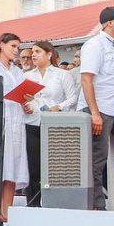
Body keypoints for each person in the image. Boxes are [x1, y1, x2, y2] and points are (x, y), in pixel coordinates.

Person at [78, 6, 114, 210]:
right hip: (100, 108)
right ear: (110, 22)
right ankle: (96, 204)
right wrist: (94, 113)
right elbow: (86, 79)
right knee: (97, 158)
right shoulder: (95, 45)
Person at [23, 40, 80, 208]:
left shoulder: (62, 75)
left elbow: (73, 98)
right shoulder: (27, 76)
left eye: (38, 51)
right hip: (33, 123)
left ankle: (57, 204)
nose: (33, 55)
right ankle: (33, 204)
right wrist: (25, 106)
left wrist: (59, 107)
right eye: (33, 51)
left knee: (55, 168)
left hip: (55, 126)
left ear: (49, 54)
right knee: (33, 168)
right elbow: (24, 98)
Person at [0, 33, 30, 221]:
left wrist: (26, 101)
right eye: (13, 46)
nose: (16, 50)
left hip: (16, 119)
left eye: (17, 47)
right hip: (0, 117)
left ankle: (8, 212)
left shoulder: (17, 71)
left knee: (14, 164)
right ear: (2, 45)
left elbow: (22, 93)